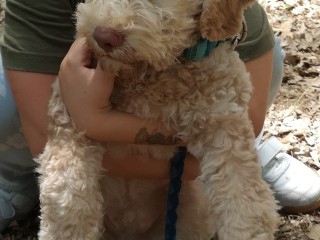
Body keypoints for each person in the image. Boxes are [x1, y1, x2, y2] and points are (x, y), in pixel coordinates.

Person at [0, 0, 320, 233]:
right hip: (100, 175)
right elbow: (46, 140)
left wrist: (97, 123)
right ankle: (15, 179)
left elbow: (239, 126)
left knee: (265, 74)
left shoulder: (223, 27)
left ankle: (238, 157)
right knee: (10, 109)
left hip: (173, 195)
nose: (111, 22)